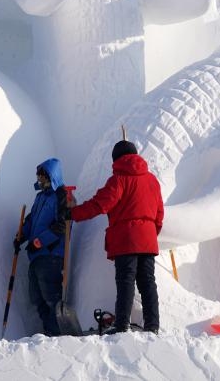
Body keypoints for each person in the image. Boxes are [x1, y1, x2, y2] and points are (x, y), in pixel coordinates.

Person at [67, 139, 164, 334]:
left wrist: (72, 214)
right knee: (147, 282)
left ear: (116, 159)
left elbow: (99, 204)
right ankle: (152, 326)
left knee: (126, 281)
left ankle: (122, 326)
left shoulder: (118, 179)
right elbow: (159, 213)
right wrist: (151, 233)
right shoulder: (152, 180)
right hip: (148, 239)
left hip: (126, 239)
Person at [14, 158, 68, 336]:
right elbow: (31, 221)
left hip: (51, 255)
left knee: (51, 297)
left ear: (51, 176)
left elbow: (61, 226)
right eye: (38, 176)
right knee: (37, 298)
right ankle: (48, 333)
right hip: (36, 256)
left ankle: (57, 335)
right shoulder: (39, 198)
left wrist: (39, 242)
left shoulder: (61, 195)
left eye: (42, 176)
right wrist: (21, 236)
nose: (39, 179)